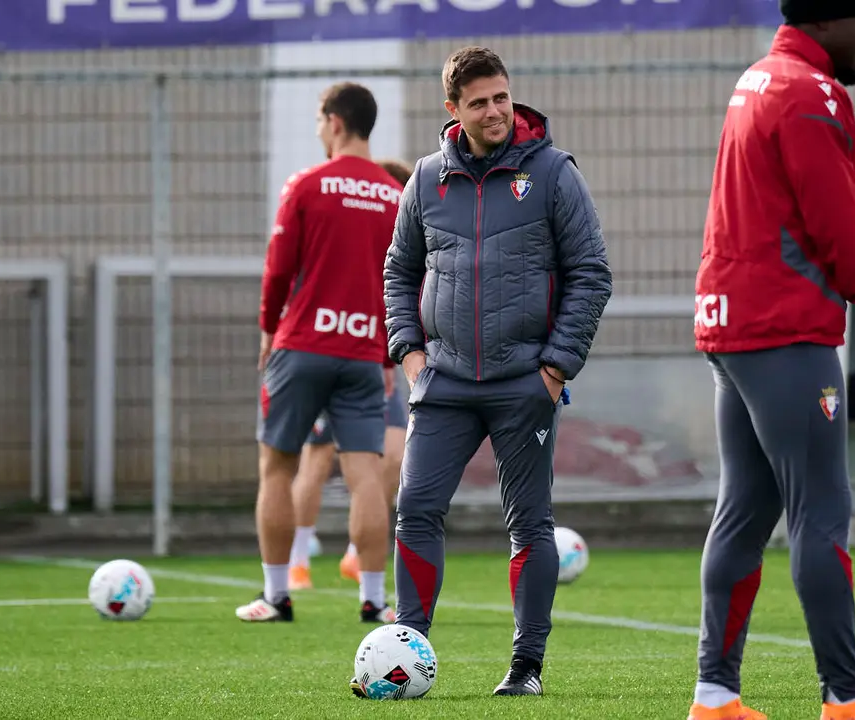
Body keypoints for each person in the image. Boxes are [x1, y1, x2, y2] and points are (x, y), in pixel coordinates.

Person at [686, 2, 855, 720]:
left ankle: (715, 699)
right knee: (820, 512)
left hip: (731, 323)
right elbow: (835, 224)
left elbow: (794, 214)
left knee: (744, 512)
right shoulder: (811, 91)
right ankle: (846, 700)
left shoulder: (759, 78)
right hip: (782, 329)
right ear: (828, 21)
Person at [375, 45, 613, 698]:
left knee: (528, 523)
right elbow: (398, 270)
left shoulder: (553, 173)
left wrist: (556, 368)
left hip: (523, 384)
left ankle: (525, 668)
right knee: (415, 511)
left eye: (501, 97)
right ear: (453, 109)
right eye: (479, 102)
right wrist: (411, 355)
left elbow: (592, 273)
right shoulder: (426, 179)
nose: (494, 111)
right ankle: (408, 651)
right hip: (443, 383)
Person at [238, 82, 404, 626]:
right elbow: (403, 281)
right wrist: (386, 354)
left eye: (318, 120)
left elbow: (277, 268)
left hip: (303, 345)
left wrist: (268, 328)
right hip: (363, 353)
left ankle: (277, 595)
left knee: (278, 470)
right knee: (365, 475)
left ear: (334, 121)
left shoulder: (306, 184)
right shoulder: (393, 195)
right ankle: (375, 601)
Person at [288, 160, 416, 593]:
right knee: (319, 458)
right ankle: (297, 560)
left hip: (377, 364)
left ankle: (355, 553)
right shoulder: (347, 231)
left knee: (395, 456)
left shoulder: (402, 240)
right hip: (331, 355)